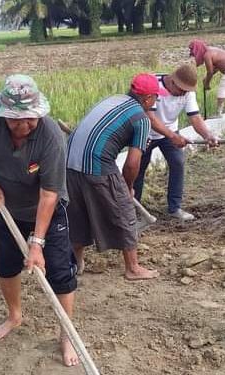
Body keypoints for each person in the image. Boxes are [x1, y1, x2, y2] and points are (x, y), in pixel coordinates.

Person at [0, 74, 79, 366]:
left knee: (60, 274)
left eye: (30, 118)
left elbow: (50, 194)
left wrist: (37, 243)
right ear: (3, 115)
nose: (24, 125)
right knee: (6, 266)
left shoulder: (50, 136)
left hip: (48, 212)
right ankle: (15, 316)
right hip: (8, 208)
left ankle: (67, 336)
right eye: (16, 120)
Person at [66, 73, 165, 281]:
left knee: (77, 214)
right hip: (97, 165)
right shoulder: (141, 118)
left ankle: (76, 262)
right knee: (125, 212)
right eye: (156, 97)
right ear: (147, 98)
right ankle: (133, 268)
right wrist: (127, 187)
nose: (156, 102)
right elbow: (132, 163)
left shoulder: (112, 100)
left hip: (68, 163)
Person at [133, 64, 219, 221]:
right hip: (145, 132)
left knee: (178, 163)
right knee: (137, 169)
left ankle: (175, 207)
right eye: (181, 90)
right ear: (172, 81)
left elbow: (195, 117)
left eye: (186, 91)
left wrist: (208, 134)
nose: (183, 94)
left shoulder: (187, 93)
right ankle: (134, 209)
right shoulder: (154, 85)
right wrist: (173, 137)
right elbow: (150, 119)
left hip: (170, 131)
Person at [189, 39, 225, 116]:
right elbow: (216, 68)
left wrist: (207, 83)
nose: (193, 53)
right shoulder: (211, 50)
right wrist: (206, 78)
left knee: (223, 88)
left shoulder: (207, 55)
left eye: (193, 50)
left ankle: (218, 113)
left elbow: (210, 71)